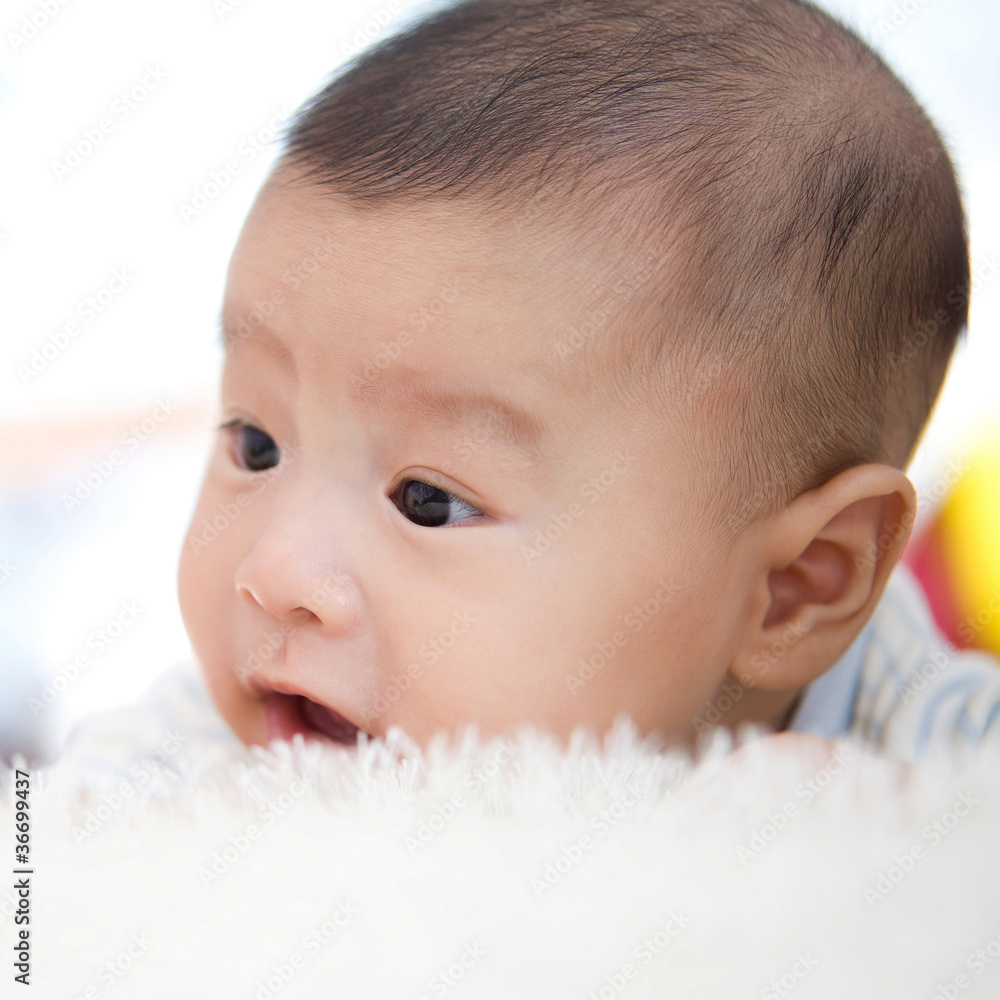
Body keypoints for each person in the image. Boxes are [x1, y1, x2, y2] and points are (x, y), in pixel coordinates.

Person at [75, 0, 1000, 769]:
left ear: (795, 588)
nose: (271, 573)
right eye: (256, 445)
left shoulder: (936, 780)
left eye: (429, 501)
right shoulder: (176, 765)